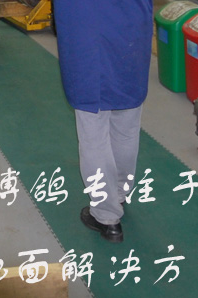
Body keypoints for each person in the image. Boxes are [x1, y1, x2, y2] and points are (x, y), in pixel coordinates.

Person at [53, 0, 153, 243]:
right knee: (127, 125)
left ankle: (106, 215)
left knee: (93, 133)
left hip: (86, 34)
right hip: (131, 31)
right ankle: (119, 193)